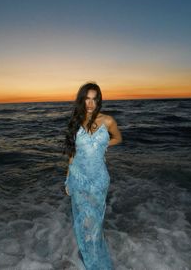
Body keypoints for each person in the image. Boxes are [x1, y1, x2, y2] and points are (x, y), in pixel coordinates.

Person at [63, 82, 122, 270]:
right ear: (82, 100)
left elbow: (118, 138)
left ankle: (96, 260)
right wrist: (67, 178)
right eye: (87, 98)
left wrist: (102, 145)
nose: (90, 103)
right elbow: (72, 154)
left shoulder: (108, 121)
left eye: (94, 99)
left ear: (99, 100)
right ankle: (88, 255)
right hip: (78, 177)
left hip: (99, 179)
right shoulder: (75, 121)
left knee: (95, 222)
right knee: (82, 222)